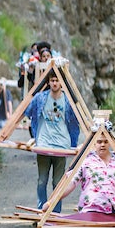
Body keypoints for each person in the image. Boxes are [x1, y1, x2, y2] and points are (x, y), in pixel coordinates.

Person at [26, 70, 79, 212]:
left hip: (62, 145)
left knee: (58, 182)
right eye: (52, 80)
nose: (55, 83)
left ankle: (55, 213)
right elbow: (27, 111)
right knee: (42, 180)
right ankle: (41, 211)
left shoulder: (68, 101)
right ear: (48, 82)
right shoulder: (40, 98)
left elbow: (77, 119)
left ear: (62, 82)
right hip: (44, 144)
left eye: (57, 80)